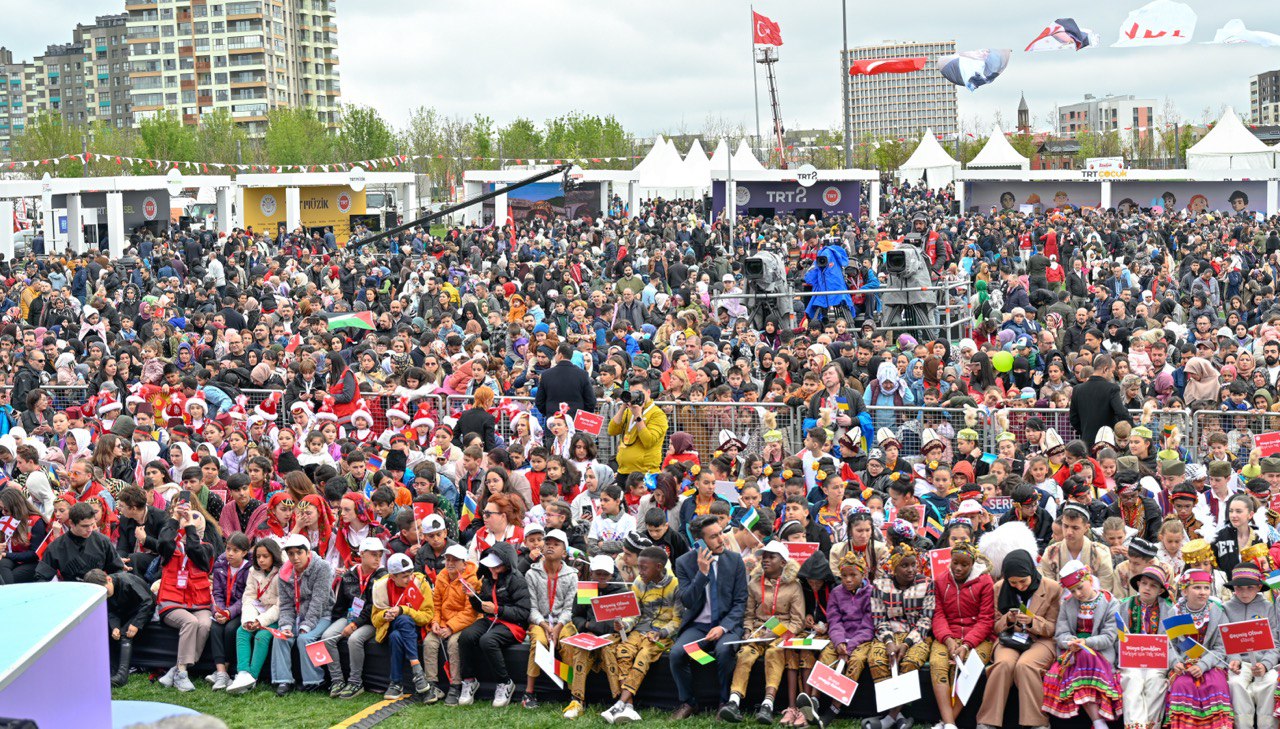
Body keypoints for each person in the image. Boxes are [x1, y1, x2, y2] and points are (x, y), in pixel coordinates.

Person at [669, 514, 749, 719]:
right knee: (678, 653)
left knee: (723, 651)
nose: (722, 539)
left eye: (721, 533)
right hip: (699, 626)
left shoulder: (735, 560)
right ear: (699, 542)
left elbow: (740, 603)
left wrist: (723, 628)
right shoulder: (684, 563)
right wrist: (701, 574)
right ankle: (688, 702)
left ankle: (724, 703)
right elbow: (687, 601)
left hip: (727, 625)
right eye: (714, 536)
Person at [719, 540, 805, 724]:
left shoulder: (794, 586)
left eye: (771, 557)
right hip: (758, 629)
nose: (765, 560)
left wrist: (774, 634)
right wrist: (748, 631)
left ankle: (768, 705)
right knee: (745, 654)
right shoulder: (754, 583)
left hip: (782, 632)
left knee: (775, 653)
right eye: (764, 557)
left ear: (783, 562)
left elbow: (798, 622)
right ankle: (733, 702)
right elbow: (748, 614)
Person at [976, 549, 1061, 729]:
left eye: (1023, 581)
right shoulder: (999, 588)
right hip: (1010, 638)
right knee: (1003, 665)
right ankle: (987, 721)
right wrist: (1007, 619)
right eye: (1013, 582)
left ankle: (1038, 723)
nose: (1019, 586)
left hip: (1041, 640)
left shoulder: (1052, 588)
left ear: (1031, 571)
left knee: (1026, 666)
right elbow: (994, 625)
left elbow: (1054, 628)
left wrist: (1032, 622)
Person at [1041, 560, 1123, 729]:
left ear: (1090, 580)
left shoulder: (1110, 602)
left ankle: (1098, 722)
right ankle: (1098, 722)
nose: (1077, 593)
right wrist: (1070, 642)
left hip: (1100, 653)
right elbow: (1060, 634)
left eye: (1080, 587)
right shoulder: (1068, 604)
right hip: (1072, 652)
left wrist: (1086, 642)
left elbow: (1109, 637)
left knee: (1085, 655)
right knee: (1080, 657)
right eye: (1072, 590)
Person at [929, 542, 996, 729]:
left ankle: (947, 723)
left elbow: (986, 620)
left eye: (964, 565)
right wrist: (948, 639)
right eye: (955, 562)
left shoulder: (985, 582)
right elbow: (938, 615)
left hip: (979, 638)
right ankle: (950, 724)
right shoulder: (941, 580)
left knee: (970, 669)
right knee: (937, 665)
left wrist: (966, 645)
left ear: (972, 564)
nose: (958, 568)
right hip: (947, 636)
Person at [155, 498, 217, 693]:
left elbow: (193, 549)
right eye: (188, 520)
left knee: (205, 624)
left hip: (198, 602)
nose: (190, 522)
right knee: (190, 622)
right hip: (171, 600)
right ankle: (182, 672)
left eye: (194, 521)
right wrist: (175, 517)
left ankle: (177, 669)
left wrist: (190, 526)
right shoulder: (170, 547)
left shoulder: (206, 548)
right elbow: (163, 540)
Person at [458, 541, 530, 707]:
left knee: (487, 640)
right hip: (492, 619)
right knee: (466, 636)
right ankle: (469, 680)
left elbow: (523, 613)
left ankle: (504, 682)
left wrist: (498, 609)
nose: (492, 570)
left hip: (514, 624)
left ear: (507, 564)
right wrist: (472, 596)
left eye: (496, 567)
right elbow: (483, 606)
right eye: (491, 566)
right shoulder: (488, 579)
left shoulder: (517, 581)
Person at [1165, 569, 1233, 729]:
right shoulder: (1173, 613)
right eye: (1197, 588)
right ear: (1185, 591)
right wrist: (1175, 662)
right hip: (1184, 665)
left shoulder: (1217, 612)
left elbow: (1220, 647)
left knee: (1216, 685)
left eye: (1206, 588)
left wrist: (1202, 665)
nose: (1203, 592)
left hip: (1211, 664)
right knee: (1182, 685)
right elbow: (1168, 645)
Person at [270, 533, 335, 696]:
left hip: (322, 614)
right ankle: (283, 680)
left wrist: (306, 626)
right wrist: (285, 625)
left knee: (305, 638)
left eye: (299, 552)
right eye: (291, 554)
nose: (295, 557)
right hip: (297, 614)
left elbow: (319, 601)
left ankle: (316, 680)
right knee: (281, 636)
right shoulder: (284, 573)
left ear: (308, 552)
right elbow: (285, 604)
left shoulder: (322, 567)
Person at [321, 537, 386, 700]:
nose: (378, 559)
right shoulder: (349, 575)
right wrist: (338, 622)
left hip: (373, 619)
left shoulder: (383, 576)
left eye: (379, 555)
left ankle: (355, 682)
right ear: (362, 554)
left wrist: (354, 625)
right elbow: (341, 604)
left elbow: (374, 606)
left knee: (354, 639)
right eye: (373, 554)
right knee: (327, 637)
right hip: (351, 615)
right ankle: (337, 680)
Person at [521, 528, 578, 709]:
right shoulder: (531, 573)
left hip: (564, 621)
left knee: (568, 643)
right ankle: (529, 692)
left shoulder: (572, 575)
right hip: (540, 620)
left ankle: (574, 693)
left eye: (556, 544)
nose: (550, 547)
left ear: (564, 551)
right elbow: (532, 608)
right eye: (548, 543)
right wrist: (545, 625)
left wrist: (559, 626)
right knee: (538, 642)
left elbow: (570, 608)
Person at [1114, 564, 1175, 729]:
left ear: (1161, 591)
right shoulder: (1123, 605)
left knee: (1156, 683)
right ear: (1138, 584)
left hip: (1157, 661)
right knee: (1132, 680)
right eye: (1144, 583)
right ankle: (1135, 726)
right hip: (1130, 660)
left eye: (1153, 586)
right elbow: (1116, 637)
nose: (1147, 588)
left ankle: (1150, 726)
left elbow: (1172, 642)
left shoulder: (1169, 610)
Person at [422, 543, 481, 705]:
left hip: (464, 624)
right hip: (443, 622)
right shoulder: (442, 576)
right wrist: (435, 622)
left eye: (454, 560)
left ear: (464, 563)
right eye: (447, 559)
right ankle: (431, 684)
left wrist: (450, 627)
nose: (449, 563)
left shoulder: (472, 580)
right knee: (429, 642)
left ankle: (456, 685)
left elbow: (471, 612)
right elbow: (436, 604)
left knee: (454, 644)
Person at [371, 553, 434, 699]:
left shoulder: (420, 583)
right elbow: (375, 620)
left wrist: (402, 610)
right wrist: (385, 615)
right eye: (404, 576)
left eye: (410, 574)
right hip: (390, 627)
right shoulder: (381, 586)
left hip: (417, 629)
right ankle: (417, 671)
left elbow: (427, 616)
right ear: (392, 577)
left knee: (397, 635)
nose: (409, 579)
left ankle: (396, 683)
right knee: (401, 623)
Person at [1221, 564, 1277, 729]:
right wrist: (1234, 659)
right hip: (1240, 661)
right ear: (1233, 588)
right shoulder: (1226, 608)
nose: (1244, 592)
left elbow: (1275, 642)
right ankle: (1243, 726)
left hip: (1264, 661)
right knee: (1235, 683)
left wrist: (1266, 664)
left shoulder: (1268, 607)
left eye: (1250, 587)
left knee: (1271, 682)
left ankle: (1267, 726)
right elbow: (1225, 639)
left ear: (1259, 587)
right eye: (1239, 588)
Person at [83, 567, 154, 688]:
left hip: (144, 610)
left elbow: (148, 602)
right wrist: (114, 627)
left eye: (105, 591)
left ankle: (122, 676)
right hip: (125, 613)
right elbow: (111, 612)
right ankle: (111, 671)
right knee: (111, 633)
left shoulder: (127, 581)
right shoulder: (106, 591)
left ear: (109, 579)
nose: (104, 596)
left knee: (125, 634)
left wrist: (136, 623)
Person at [36, 501, 125, 582]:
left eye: (92, 524)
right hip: (72, 592)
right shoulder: (56, 547)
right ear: (71, 523)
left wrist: (108, 583)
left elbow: (117, 569)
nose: (90, 529)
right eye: (84, 526)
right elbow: (41, 577)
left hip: (99, 591)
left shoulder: (102, 541)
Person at [207, 531, 252, 691]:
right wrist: (218, 611)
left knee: (231, 629)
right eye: (228, 549)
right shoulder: (220, 565)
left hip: (240, 611)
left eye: (235, 551)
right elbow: (216, 592)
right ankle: (221, 673)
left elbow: (246, 597)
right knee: (214, 627)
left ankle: (223, 671)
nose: (230, 554)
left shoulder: (249, 570)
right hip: (223, 610)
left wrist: (229, 613)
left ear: (244, 552)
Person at [1068, 353, 1132, 447]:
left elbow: (1073, 419)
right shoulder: (1112, 388)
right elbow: (1121, 413)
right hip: (1107, 441)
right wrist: (1134, 428)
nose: (1112, 375)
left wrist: (1084, 431)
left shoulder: (1077, 389)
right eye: (1112, 371)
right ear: (1105, 369)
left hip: (1086, 441)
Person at [607, 377, 668, 476]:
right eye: (632, 393)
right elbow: (611, 431)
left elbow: (648, 441)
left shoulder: (658, 414)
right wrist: (623, 407)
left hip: (644, 473)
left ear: (648, 392)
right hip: (623, 470)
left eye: (639, 392)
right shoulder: (629, 411)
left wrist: (638, 417)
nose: (635, 396)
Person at [536, 341, 598, 417]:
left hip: (553, 421)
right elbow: (591, 402)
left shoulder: (546, 375)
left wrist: (549, 413)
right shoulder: (582, 374)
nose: (555, 356)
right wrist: (580, 416)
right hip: (575, 421)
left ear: (560, 355)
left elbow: (539, 402)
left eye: (556, 353)